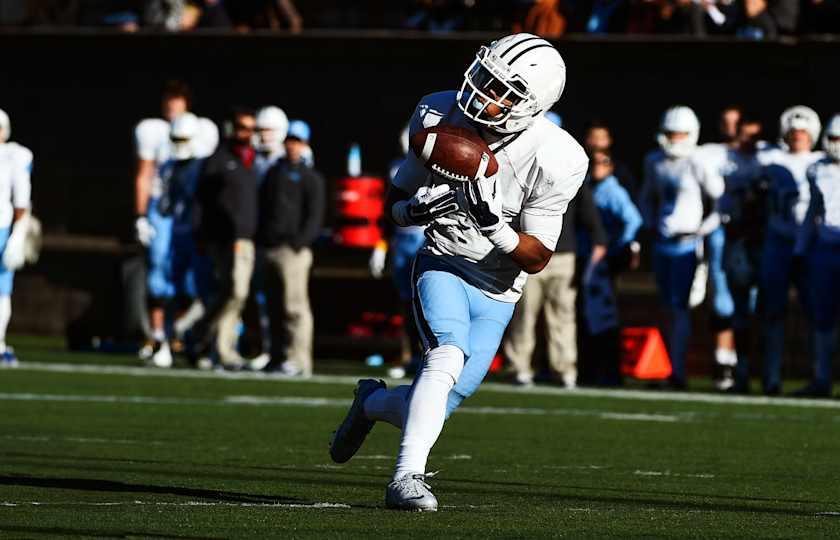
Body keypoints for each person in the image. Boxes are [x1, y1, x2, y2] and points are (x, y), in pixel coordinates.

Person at [329, 33, 588, 511]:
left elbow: (536, 257)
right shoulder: (436, 113)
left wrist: (495, 227)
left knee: (440, 400)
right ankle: (406, 478)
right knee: (444, 358)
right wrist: (413, 212)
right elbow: (394, 204)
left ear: (533, 105)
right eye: (484, 78)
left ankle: (370, 403)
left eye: (500, 90)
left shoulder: (559, 157)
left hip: (499, 287)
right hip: (442, 261)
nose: (481, 94)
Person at [504, 111, 607, 388]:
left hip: (561, 254)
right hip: (529, 250)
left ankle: (564, 369)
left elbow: (588, 211)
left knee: (561, 315)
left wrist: (599, 240)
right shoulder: (520, 167)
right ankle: (519, 366)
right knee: (525, 313)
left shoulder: (571, 169)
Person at [134, 81, 218, 366]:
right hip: (170, 222)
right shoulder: (167, 162)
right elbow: (148, 179)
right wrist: (142, 216)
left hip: (193, 226)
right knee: (161, 280)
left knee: (197, 285)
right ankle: (162, 338)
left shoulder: (203, 163)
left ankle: (192, 338)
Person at [640, 105, 724, 389]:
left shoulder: (698, 162)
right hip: (663, 244)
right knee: (666, 307)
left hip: (688, 245)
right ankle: (668, 369)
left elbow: (719, 203)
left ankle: (678, 371)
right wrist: (650, 223)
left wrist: (702, 230)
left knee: (680, 308)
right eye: (670, 134)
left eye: (680, 134)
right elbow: (647, 196)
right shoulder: (655, 161)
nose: (674, 140)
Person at [756, 106, 823, 395]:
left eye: (803, 133)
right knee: (772, 313)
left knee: (817, 313)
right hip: (778, 242)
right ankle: (771, 376)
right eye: (793, 132)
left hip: (811, 245)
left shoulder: (822, 162)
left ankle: (819, 375)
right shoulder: (770, 159)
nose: (798, 137)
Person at [190, 107, 259, 369]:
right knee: (234, 292)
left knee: (235, 295)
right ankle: (220, 347)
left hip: (246, 238)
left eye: (251, 129)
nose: (247, 134)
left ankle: (206, 338)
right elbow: (202, 202)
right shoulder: (218, 161)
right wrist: (202, 235)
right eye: (243, 128)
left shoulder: (251, 161)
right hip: (223, 238)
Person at [257, 118, 325, 377]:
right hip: (270, 248)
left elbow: (315, 216)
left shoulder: (310, 178)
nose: (292, 146)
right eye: (289, 141)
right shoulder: (274, 173)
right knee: (273, 307)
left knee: (294, 307)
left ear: (304, 144)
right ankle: (277, 356)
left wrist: (299, 243)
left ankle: (299, 359)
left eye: (297, 141)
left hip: (293, 251)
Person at [578, 148, 642, 386]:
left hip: (602, 264)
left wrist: (618, 247)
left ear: (612, 166)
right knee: (589, 317)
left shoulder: (612, 191)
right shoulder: (589, 186)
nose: (598, 167)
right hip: (589, 259)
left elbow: (633, 219)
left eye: (603, 162)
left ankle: (609, 371)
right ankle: (593, 370)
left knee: (602, 317)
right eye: (594, 162)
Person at [369, 126, 426, 378]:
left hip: (426, 237)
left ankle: (427, 356)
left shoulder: (439, 163)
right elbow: (388, 211)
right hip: (402, 239)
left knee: (426, 302)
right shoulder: (396, 167)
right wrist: (381, 246)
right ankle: (408, 355)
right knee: (405, 303)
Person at [791, 114, 840, 397]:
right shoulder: (817, 169)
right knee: (822, 317)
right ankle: (821, 377)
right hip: (824, 250)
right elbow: (812, 213)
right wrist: (800, 249)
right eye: (833, 138)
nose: (836, 145)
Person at [697, 105, 742, 390]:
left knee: (750, 302)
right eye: (726, 122)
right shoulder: (707, 153)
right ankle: (724, 362)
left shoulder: (761, 154)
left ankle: (745, 366)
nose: (731, 128)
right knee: (721, 300)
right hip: (719, 231)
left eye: (736, 122)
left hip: (751, 234)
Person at [0, 109, 32, 367]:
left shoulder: (14, 156)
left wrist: (18, 233)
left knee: (1, 290)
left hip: (1, 227)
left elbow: (21, 199)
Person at [583, 120, 638, 199]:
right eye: (592, 138)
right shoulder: (577, 168)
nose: (597, 143)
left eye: (601, 138)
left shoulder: (621, 172)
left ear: (609, 140)